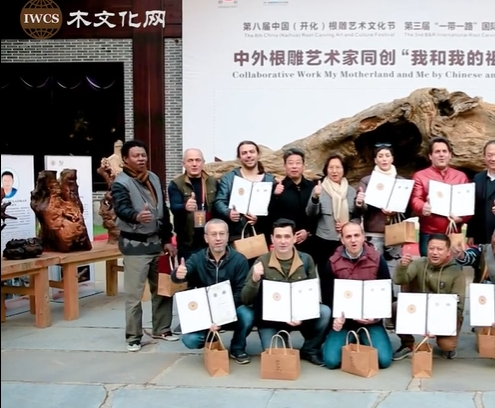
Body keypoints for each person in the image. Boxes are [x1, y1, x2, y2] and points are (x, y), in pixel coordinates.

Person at [110, 139, 178, 352]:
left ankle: (162, 328)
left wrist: (167, 240)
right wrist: (136, 216)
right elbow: (121, 208)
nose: (141, 159)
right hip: (135, 245)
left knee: (163, 289)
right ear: (125, 159)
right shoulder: (121, 182)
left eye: (143, 155)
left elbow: (163, 211)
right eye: (136, 156)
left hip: (157, 244)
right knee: (134, 295)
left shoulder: (154, 178)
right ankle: (133, 336)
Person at [242, 218, 330, 366]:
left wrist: (301, 315)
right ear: (272, 239)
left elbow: (312, 295)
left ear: (294, 238)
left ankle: (310, 349)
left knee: (325, 311)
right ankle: (280, 340)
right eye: (278, 236)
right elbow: (245, 299)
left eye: (287, 236)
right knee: (278, 360)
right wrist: (255, 279)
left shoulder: (306, 260)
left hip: (299, 317)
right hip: (271, 320)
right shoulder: (261, 261)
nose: (283, 241)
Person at [170, 219, 253, 364]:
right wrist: (177, 274)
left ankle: (238, 347)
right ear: (206, 238)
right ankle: (212, 338)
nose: (218, 238)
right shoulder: (197, 258)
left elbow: (240, 292)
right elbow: (183, 273)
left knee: (247, 315)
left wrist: (220, 314)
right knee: (190, 340)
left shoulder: (239, 260)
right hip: (204, 312)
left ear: (227, 236)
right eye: (213, 234)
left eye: (222, 234)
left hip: (231, 310)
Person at [320, 222, 394, 370]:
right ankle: (341, 340)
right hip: (345, 321)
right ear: (342, 240)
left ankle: (361, 339)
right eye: (348, 236)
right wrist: (337, 318)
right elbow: (328, 297)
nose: (353, 240)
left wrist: (376, 317)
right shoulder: (332, 263)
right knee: (331, 361)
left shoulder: (377, 259)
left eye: (356, 235)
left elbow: (388, 295)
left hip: (370, 320)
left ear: (363, 237)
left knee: (384, 360)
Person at [391, 233, 467, 361]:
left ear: (448, 252)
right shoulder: (419, 263)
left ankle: (448, 344)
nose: (435, 253)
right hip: (419, 310)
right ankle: (407, 343)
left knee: (447, 345)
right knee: (395, 307)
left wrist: (436, 326)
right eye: (431, 248)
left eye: (440, 249)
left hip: (444, 314)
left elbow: (458, 308)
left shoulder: (456, 273)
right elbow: (399, 280)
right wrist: (402, 267)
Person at [305, 154, 363, 287]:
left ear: (344, 169)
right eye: (331, 168)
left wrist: (348, 225)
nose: (334, 171)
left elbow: (357, 216)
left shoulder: (351, 191)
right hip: (324, 241)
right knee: (326, 278)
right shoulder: (320, 188)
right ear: (326, 170)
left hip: (345, 241)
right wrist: (315, 197)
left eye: (338, 167)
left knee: (345, 277)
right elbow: (311, 213)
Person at [410, 137, 471, 256]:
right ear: (430, 156)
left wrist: (462, 219)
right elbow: (415, 199)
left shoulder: (461, 176)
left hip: (453, 232)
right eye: (437, 152)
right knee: (428, 265)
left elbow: (468, 204)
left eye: (444, 151)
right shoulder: (420, 176)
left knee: (454, 265)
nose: (441, 155)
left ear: (450, 155)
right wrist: (423, 207)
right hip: (429, 232)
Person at [213, 140, 276, 246]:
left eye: (252, 152)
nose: (248, 155)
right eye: (244, 153)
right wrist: (228, 212)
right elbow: (219, 201)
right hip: (235, 235)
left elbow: (274, 209)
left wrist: (259, 219)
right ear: (239, 157)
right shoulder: (229, 178)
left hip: (261, 235)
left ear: (258, 154)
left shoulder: (269, 180)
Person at [356, 143, 408, 263]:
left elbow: (409, 209)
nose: (384, 159)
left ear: (392, 158)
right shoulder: (367, 181)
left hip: (395, 232)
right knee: (374, 266)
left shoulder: (401, 181)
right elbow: (360, 210)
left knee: (394, 268)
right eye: (380, 156)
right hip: (374, 232)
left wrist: (395, 210)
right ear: (375, 160)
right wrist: (360, 202)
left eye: (387, 155)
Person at [167, 148, 219, 260]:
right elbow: (174, 207)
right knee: (189, 269)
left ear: (203, 162)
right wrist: (184, 207)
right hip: (188, 241)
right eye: (190, 160)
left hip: (211, 238)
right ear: (183, 164)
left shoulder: (213, 182)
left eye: (198, 160)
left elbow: (219, 205)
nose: (194, 164)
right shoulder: (176, 184)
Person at [269, 148, 318, 256]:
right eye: (290, 163)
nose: (294, 166)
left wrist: (308, 231)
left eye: (298, 163)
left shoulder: (312, 187)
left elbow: (317, 215)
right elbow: (269, 216)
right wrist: (275, 196)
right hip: (284, 242)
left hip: (308, 242)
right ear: (285, 166)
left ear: (303, 166)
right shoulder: (276, 188)